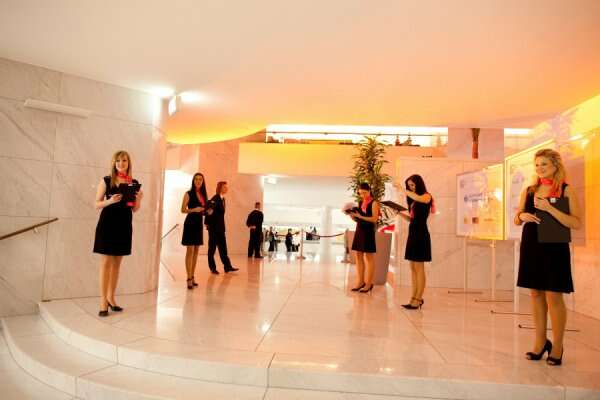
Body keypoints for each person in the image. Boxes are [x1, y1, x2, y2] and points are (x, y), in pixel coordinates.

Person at [515, 149, 581, 366]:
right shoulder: (530, 190)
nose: (539, 168)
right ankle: (540, 342)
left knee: (554, 295)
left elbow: (576, 222)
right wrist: (521, 216)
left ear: (555, 165)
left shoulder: (566, 190)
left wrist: (549, 208)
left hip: (555, 246)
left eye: (544, 164)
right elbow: (517, 218)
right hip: (532, 244)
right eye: (536, 165)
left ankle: (558, 346)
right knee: (535, 293)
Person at [93, 150, 143, 317]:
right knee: (106, 262)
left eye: (124, 160)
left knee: (117, 264)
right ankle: (102, 301)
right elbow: (96, 204)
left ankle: (111, 298)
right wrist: (110, 201)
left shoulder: (133, 183)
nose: (121, 163)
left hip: (124, 225)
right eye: (118, 161)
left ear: (128, 163)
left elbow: (134, 209)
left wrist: (139, 199)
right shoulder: (106, 180)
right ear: (114, 163)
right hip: (108, 224)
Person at [399, 174, 433, 309]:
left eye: (412, 185)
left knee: (419, 267)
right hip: (412, 233)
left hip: (421, 234)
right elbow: (412, 219)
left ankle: (418, 299)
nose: (411, 187)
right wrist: (399, 213)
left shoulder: (426, 196)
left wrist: (402, 190)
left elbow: (419, 198)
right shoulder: (413, 201)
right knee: (412, 267)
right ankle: (413, 297)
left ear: (419, 184)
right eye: (409, 186)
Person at [347, 182, 380, 293]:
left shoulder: (374, 203)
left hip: (368, 231)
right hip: (360, 229)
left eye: (364, 193)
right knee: (358, 255)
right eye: (360, 193)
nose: (363, 195)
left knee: (369, 257)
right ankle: (360, 281)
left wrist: (360, 216)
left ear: (369, 191)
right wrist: (353, 217)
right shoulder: (361, 202)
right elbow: (359, 218)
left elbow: (374, 219)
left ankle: (369, 283)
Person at [205, 181, 239, 274]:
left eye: (226, 187)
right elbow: (208, 210)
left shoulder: (223, 199)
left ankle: (227, 266)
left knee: (223, 249)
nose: (226, 188)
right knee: (212, 249)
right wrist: (206, 223)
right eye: (224, 187)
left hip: (220, 228)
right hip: (214, 228)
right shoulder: (215, 198)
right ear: (220, 188)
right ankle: (212, 268)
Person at [180, 173, 207, 289]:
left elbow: (203, 210)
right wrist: (194, 209)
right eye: (196, 179)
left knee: (196, 251)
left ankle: (192, 276)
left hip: (198, 223)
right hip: (190, 223)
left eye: (200, 179)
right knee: (190, 250)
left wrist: (207, 211)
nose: (198, 181)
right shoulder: (188, 193)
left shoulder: (203, 194)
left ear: (203, 181)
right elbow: (182, 210)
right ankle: (188, 278)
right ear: (193, 181)